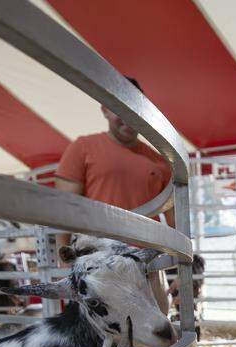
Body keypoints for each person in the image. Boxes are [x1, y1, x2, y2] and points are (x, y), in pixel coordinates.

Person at [54, 76, 175, 312]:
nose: (128, 118)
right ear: (105, 110)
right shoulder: (82, 148)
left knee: (157, 334)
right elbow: (64, 208)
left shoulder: (160, 161)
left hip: (145, 264)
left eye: (135, 110)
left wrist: (182, 266)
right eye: (120, 109)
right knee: (101, 339)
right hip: (97, 264)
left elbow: (176, 220)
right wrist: (64, 261)